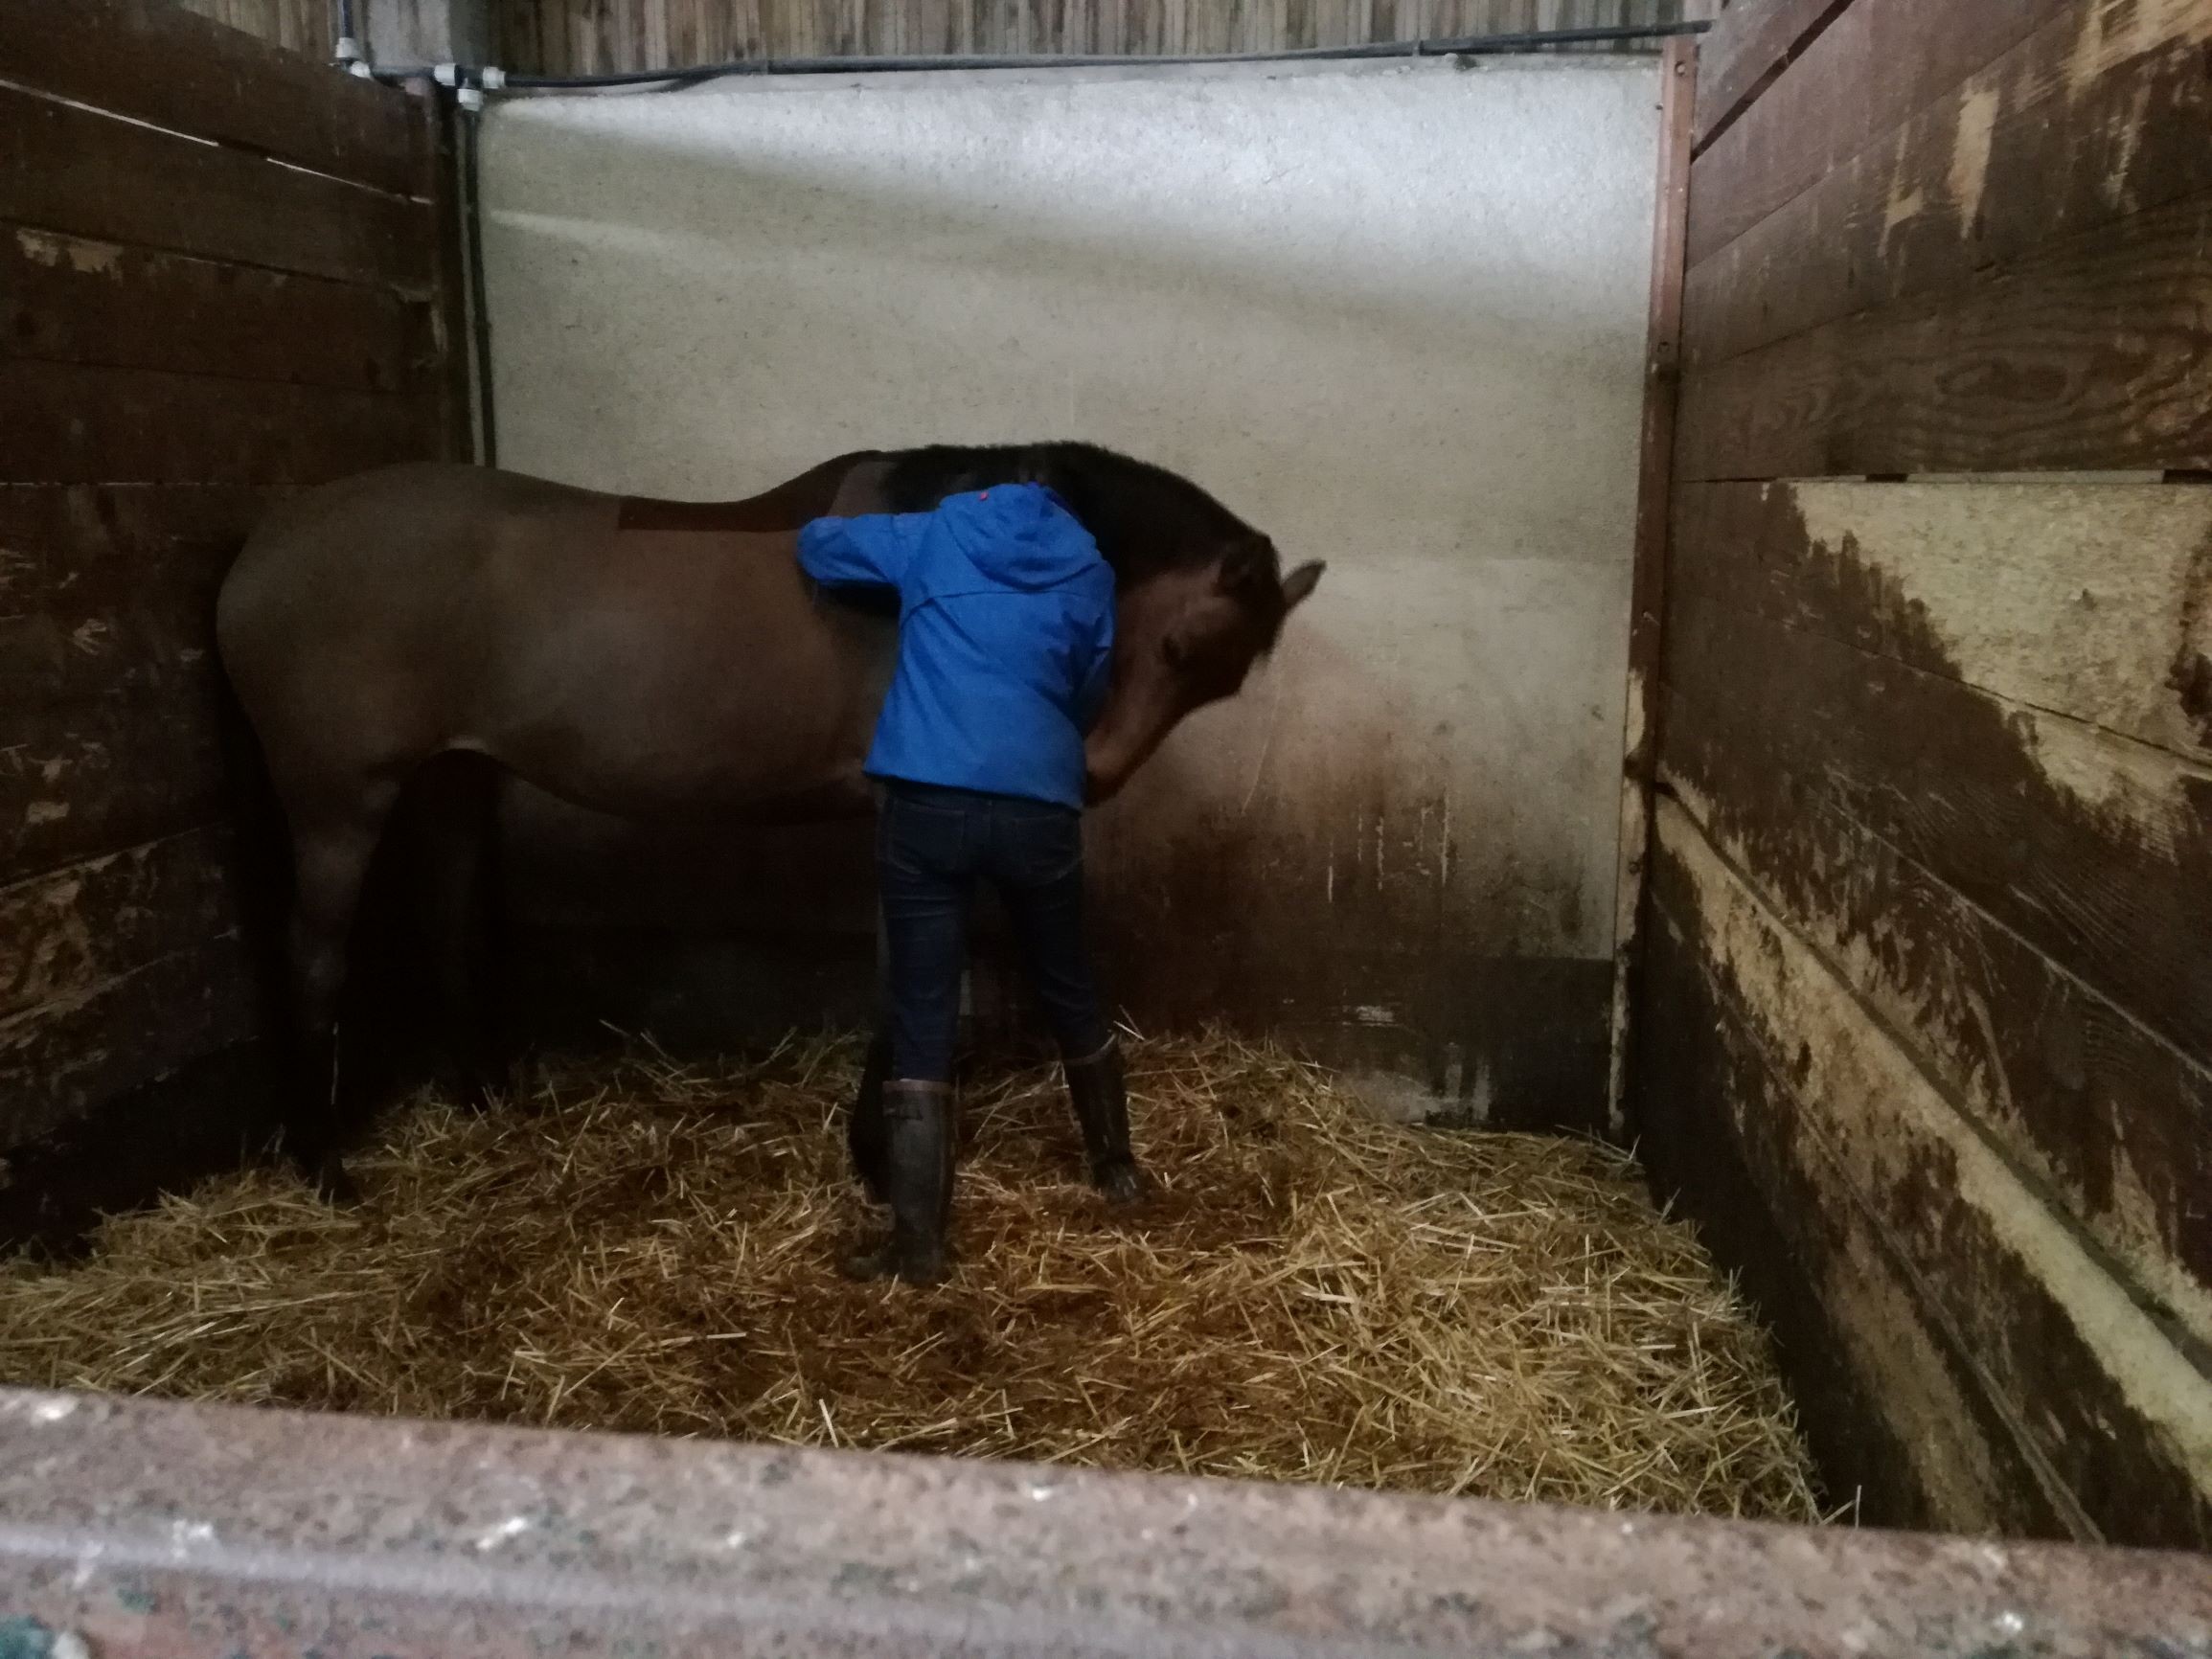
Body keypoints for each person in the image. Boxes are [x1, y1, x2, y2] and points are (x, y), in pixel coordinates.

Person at [798, 482, 1141, 1284]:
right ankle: (1117, 1168)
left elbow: (820, 547)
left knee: (922, 1010)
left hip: (926, 798)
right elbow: (1089, 687)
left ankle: (918, 1245)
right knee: (1067, 981)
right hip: (1039, 807)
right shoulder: (1089, 569)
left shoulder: (937, 532)